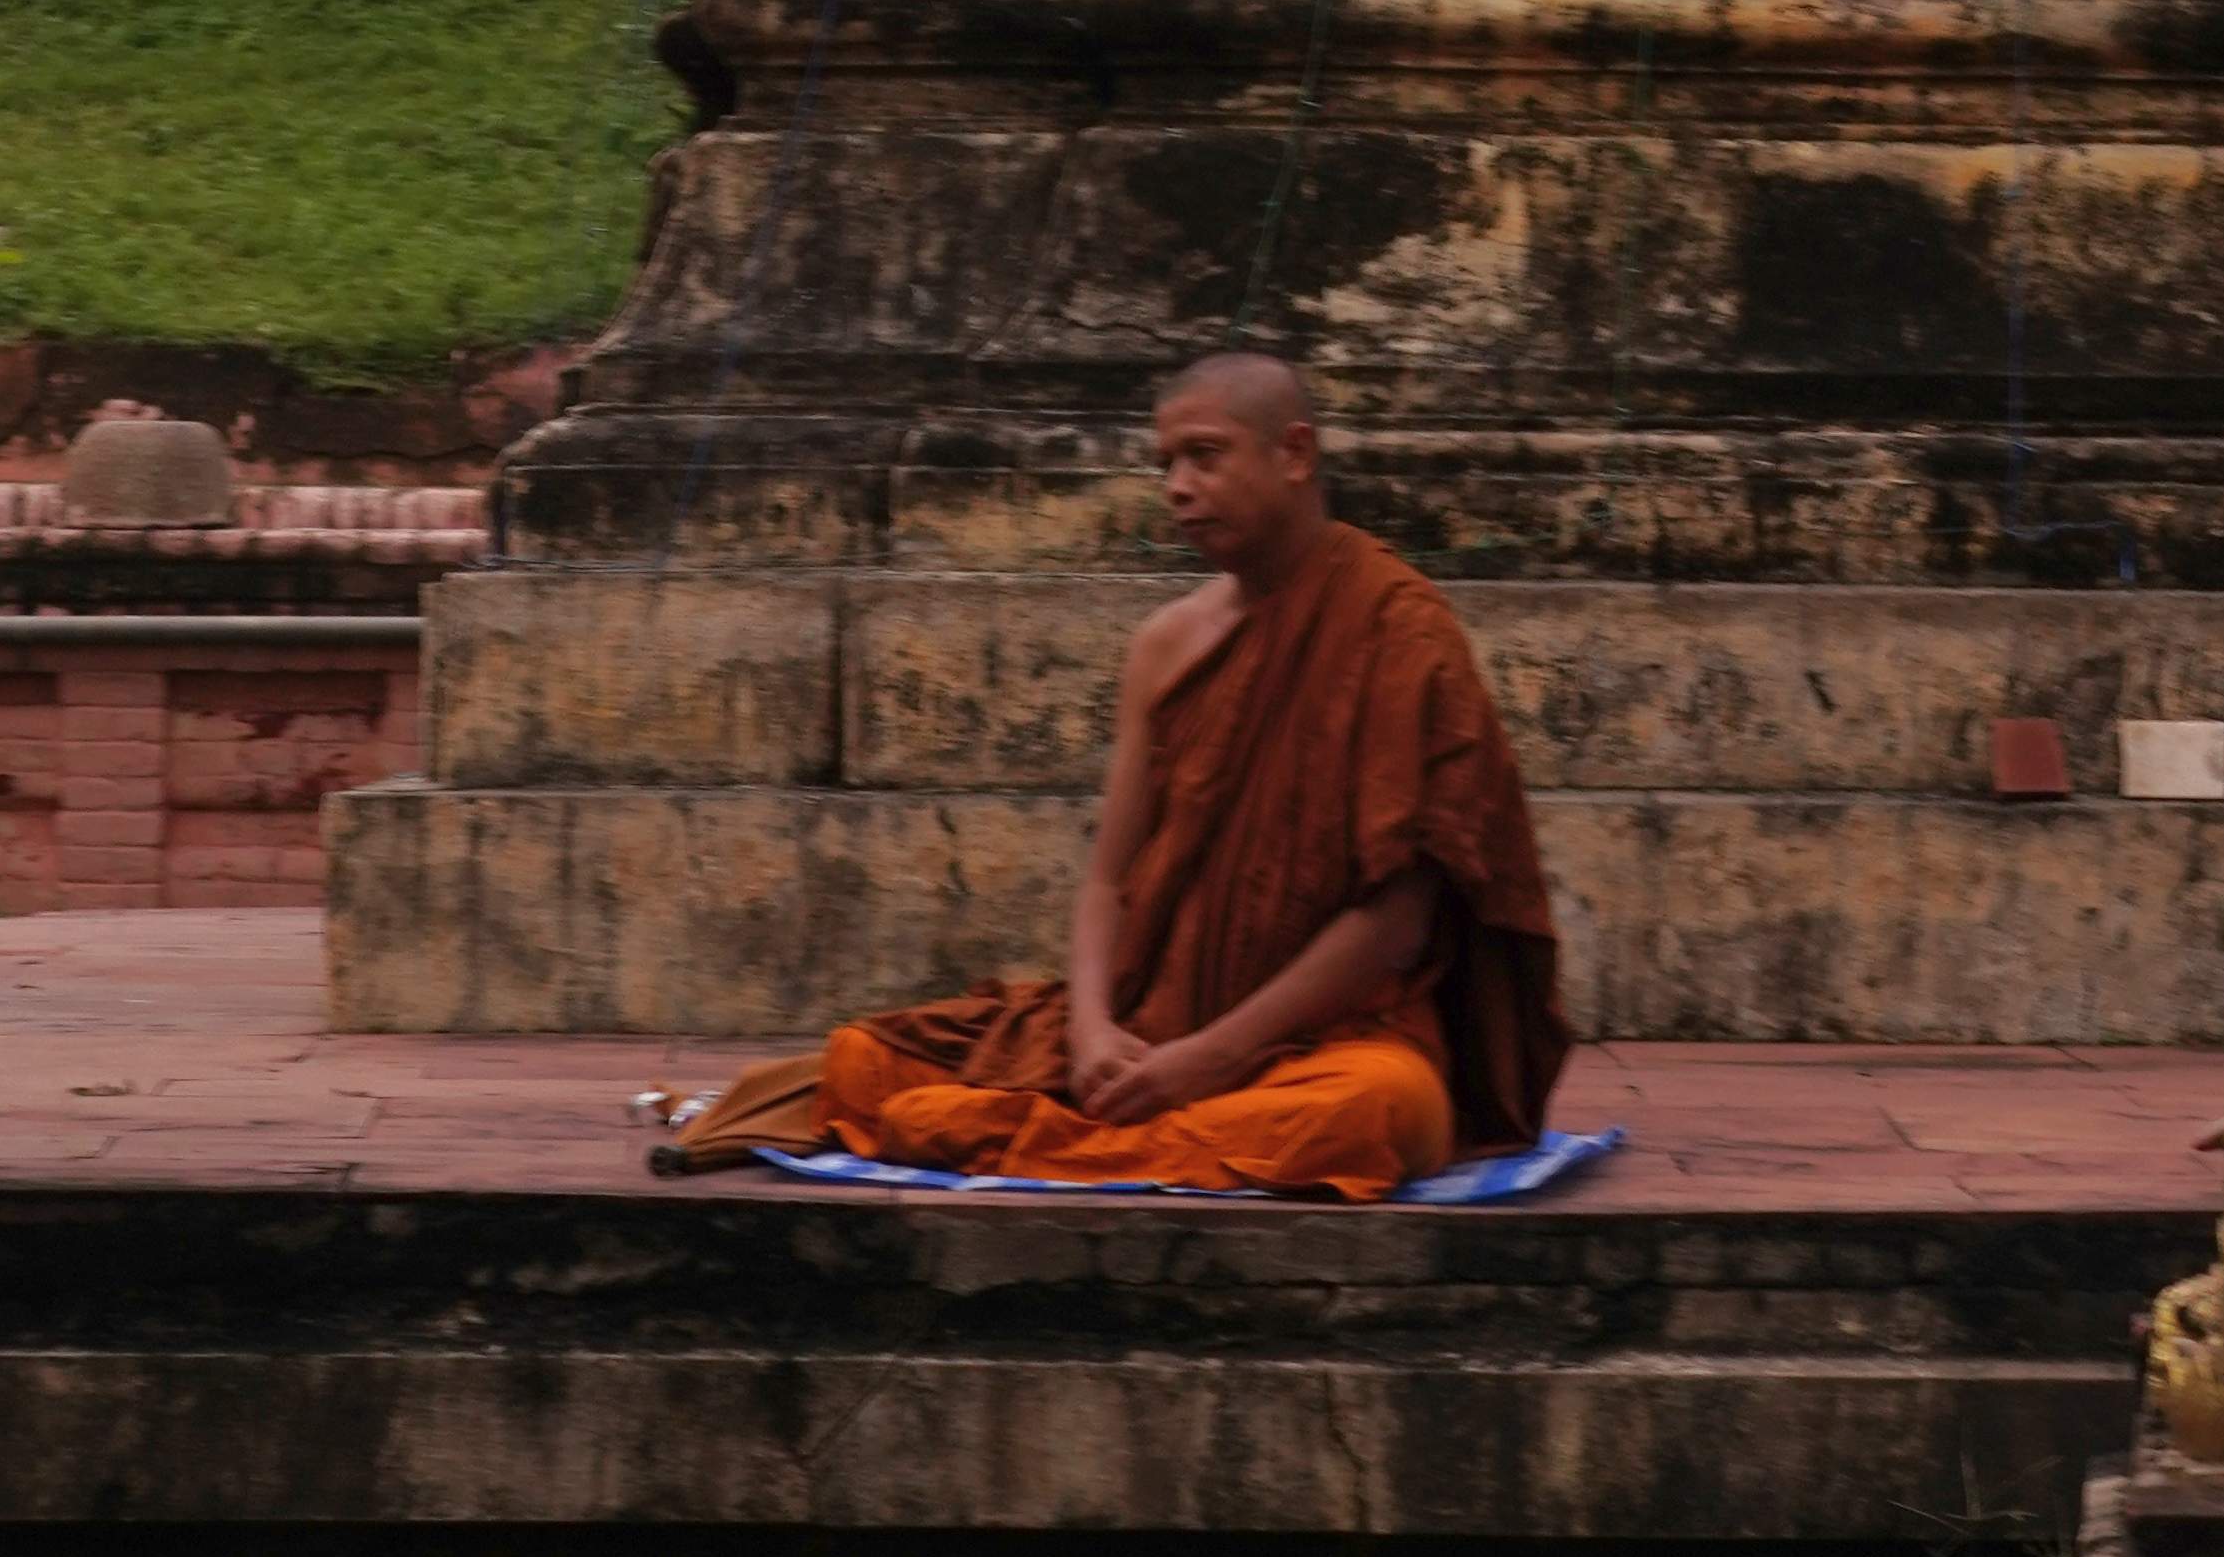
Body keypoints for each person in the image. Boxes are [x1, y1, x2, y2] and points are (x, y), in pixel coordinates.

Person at [653, 351, 1568, 1196]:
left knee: (1377, 1113)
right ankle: (1059, 1122)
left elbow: (1396, 920)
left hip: (1326, 1039)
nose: (1178, 488)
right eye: (1167, 463)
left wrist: (1211, 1056)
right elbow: (1108, 880)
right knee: (861, 1056)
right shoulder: (1168, 645)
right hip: (1146, 1025)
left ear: (1295, 454)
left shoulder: (1397, 627)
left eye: (1206, 457)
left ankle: (1000, 1134)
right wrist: (1093, 1032)